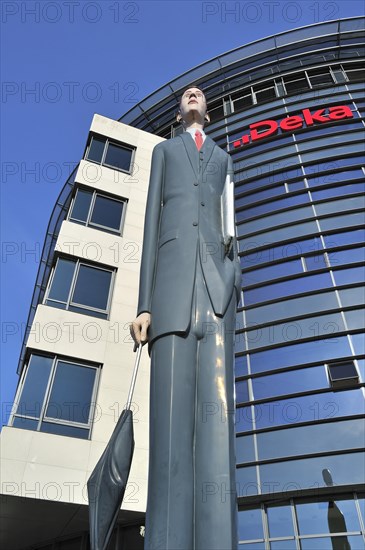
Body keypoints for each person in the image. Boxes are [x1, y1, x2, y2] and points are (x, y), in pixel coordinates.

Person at [130, 87, 241, 550]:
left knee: (218, 439)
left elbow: (231, 223)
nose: (192, 96)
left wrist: (233, 273)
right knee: (171, 440)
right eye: (186, 95)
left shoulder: (223, 158)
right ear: (180, 111)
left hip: (218, 295)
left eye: (199, 94)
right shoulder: (164, 152)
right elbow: (151, 225)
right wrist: (143, 304)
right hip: (172, 296)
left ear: (206, 111)